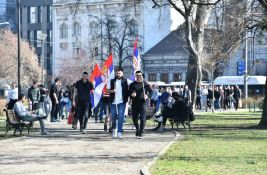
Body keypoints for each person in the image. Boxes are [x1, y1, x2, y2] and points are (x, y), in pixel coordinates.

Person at [107, 67, 130, 139]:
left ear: (122, 74)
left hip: (122, 102)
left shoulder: (126, 81)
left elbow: (134, 85)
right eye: (117, 73)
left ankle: (119, 132)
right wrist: (112, 91)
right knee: (113, 116)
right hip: (113, 101)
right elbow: (107, 90)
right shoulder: (111, 81)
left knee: (121, 116)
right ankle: (114, 130)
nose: (118, 74)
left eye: (119, 73)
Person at [129, 71, 152, 139]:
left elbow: (151, 92)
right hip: (134, 103)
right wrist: (131, 94)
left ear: (142, 76)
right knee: (134, 119)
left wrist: (147, 96)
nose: (139, 77)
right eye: (137, 75)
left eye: (140, 75)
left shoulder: (145, 84)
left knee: (142, 119)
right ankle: (138, 129)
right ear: (135, 76)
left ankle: (141, 133)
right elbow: (129, 92)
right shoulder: (132, 84)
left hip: (143, 103)